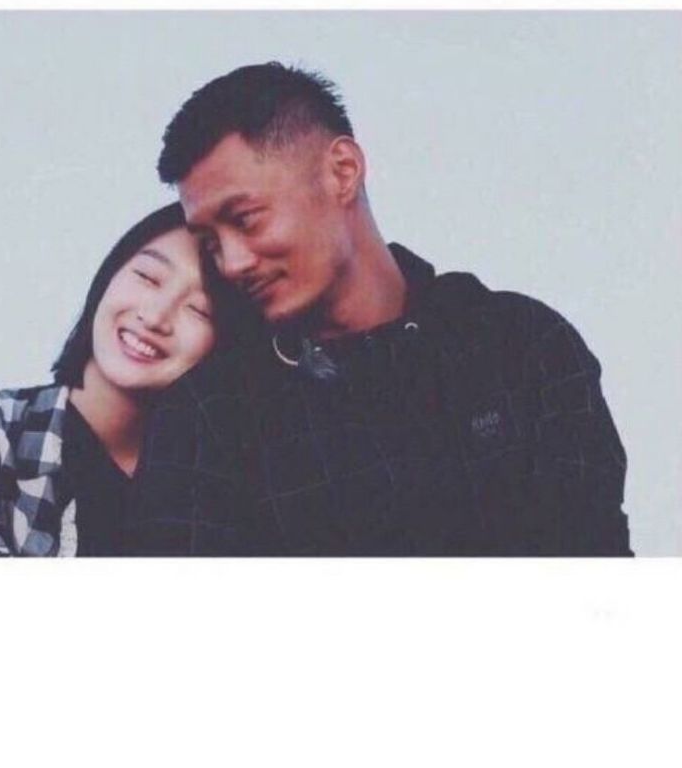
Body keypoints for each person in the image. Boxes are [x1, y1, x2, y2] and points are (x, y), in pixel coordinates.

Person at [125, 62, 632, 556]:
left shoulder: (521, 346)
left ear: (342, 172)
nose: (232, 263)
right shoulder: (210, 417)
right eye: (210, 243)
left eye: (246, 218)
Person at [0, 202, 242, 556]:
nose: (155, 317)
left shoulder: (214, 479)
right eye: (148, 277)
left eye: (199, 309)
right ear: (108, 277)